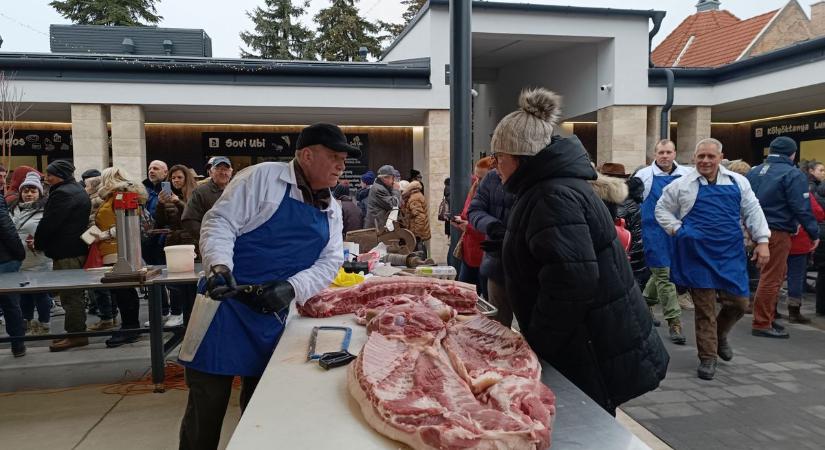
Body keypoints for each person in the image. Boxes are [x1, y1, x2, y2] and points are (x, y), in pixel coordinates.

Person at [178, 123, 351, 450]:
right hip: (223, 304)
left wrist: (292, 288)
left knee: (262, 408)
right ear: (307, 155)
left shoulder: (332, 209)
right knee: (206, 406)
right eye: (334, 157)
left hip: (270, 315)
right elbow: (220, 223)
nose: (341, 165)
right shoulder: (262, 178)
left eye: (343, 158)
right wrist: (219, 265)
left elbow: (329, 262)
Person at [494, 87, 668, 414]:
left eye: (498, 157)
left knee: (587, 423)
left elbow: (572, 279)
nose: (495, 166)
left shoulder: (550, 195)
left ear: (517, 157)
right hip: (588, 336)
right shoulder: (550, 187)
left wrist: (541, 341)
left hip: (586, 342)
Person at [657, 138, 770, 380]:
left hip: (729, 252)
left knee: (739, 303)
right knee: (704, 309)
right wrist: (678, 229)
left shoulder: (738, 182)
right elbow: (661, 209)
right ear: (694, 158)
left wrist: (762, 241)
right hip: (696, 254)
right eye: (701, 156)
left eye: (710, 156)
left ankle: (719, 337)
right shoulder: (682, 184)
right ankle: (708, 357)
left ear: (720, 157)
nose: (706, 161)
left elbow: (753, 210)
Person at [747, 136, 819, 339]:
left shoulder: (754, 171)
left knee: (766, 275)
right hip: (777, 230)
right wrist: (813, 232)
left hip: (755, 229)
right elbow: (801, 207)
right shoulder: (792, 173)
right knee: (772, 277)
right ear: (793, 153)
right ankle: (762, 322)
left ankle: (767, 317)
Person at [632, 139, 692, 344]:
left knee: (661, 274)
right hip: (654, 234)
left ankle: (644, 304)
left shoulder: (687, 174)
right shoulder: (643, 176)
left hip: (678, 232)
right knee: (666, 277)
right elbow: (631, 202)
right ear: (654, 155)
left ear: (675, 153)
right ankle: (674, 322)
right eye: (661, 152)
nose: (665, 156)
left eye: (668, 152)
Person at [33, 160, 91, 351]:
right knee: (74, 294)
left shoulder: (62, 194)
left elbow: (50, 222)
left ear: (61, 174)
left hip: (67, 251)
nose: (46, 177)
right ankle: (76, 332)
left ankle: (76, 335)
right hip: (76, 249)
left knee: (70, 295)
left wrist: (38, 243)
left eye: (50, 174)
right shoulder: (78, 190)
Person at [94, 167, 149, 348]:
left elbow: (129, 223)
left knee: (123, 291)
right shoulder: (114, 196)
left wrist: (104, 234)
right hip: (115, 249)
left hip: (118, 250)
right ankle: (130, 327)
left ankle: (130, 327)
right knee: (123, 291)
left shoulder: (122, 196)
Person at [468, 167, 517, 327]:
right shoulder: (492, 178)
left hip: (527, 266)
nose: (497, 161)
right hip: (496, 263)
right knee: (498, 325)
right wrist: (492, 226)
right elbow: (474, 211)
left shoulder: (534, 177)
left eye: (500, 155)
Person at [154, 164, 199, 327]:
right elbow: (160, 221)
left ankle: (191, 313)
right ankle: (177, 312)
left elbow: (193, 215)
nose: (176, 181)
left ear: (186, 178)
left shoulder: (194, 194)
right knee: (174, 281)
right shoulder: (168, 196)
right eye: (173, 178)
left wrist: (178, 202)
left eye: (179, 177)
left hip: (190, 241)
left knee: (191, 281)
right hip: (173, 241)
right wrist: (160, 204)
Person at [9, 172, 52, 335]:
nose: (28, 194)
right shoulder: (12, 208)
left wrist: (40, 242)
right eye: (25, 191)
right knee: (24, 295)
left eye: (33, 191)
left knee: (41, 294)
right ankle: (26, 322)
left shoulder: (45, 210)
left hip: (39, 259)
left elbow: (50, 233)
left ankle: (44, 323)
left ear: (40, 192)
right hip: (19, 260)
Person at [453, 157, 495, 298]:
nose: (477, 180)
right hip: (469, 253)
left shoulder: (496, 194)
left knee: (487, 302)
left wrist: (468, 227)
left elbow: (492, 227)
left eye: (481, 177)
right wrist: (460, 220)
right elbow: (468, 213)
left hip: (484, 255)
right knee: (462, 297)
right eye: (476, 176)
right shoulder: (475, 188)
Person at [181, 156, 233, 253]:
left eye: (226, 169)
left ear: (231, 172)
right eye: (218, 169)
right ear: (210, 173)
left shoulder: (237, 190)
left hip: (235, 244)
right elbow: (189, 220)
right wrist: (208, 238)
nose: (223, 172)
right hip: (212, 247)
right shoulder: (200, 192)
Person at [0, 186, 27, 357]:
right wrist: (19, 252)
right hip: (4, 259)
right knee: (10, 304)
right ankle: (17, 344)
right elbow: (6, 227)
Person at [364, 164, 399, 230]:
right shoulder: (378, 189)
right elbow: (393, 204)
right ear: (385, 178)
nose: (394, 181)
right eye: (393, 178)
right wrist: (396, 190)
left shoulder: (383, 187)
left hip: (379, 227)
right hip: (376, 228)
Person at [400, 180, 431, 255]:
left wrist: (417, 235)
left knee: (418, 251)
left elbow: (420, 217)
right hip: (416, 230)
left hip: (416, 232)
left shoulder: (414, 198)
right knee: (419, 249)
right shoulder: (415, 196)